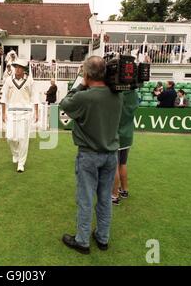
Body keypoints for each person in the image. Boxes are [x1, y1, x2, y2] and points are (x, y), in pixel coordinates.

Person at [59, 56, 123, 255]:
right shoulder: (118, 95)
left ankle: (82, 241)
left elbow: (64, 103)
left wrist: (80, 83)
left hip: (88, 155)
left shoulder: (84, 97)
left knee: (85, 199)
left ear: (86, 74)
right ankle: (102, 238)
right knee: (105, 198)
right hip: (111, 155)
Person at [1, 58, 39, 173]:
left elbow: (35, 97)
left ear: (23, 69)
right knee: (10, 137)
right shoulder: (8, 80)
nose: (17, 69)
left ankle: (21, 163)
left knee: (23, 139)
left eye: (19, 67)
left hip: (26, 112)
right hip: (12, 112)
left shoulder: (30, 81)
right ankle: (16, 154)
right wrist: (3, 113)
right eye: (15, 66)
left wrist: (36, 112)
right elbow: (4, 98)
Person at [111, 90, 138, 206]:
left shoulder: (117, 94)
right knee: (123, 163)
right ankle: (124, 190)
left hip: (116, 134)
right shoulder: (133, 94)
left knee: (114, 166)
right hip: (127, 134)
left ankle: (114, 195)